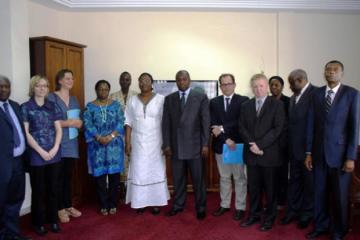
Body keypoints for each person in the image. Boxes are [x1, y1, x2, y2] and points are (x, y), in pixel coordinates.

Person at [305, 60, 360, 240]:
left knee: (340, 197)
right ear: (324, 73)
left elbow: (354, 127)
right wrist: (308, 153)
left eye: (335, 70)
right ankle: (320, 226)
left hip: (341, 156)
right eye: (328, 70)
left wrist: (351, 157)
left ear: (341, 73)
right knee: (319, 194)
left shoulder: (351, 94)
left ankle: (339, 230)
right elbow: (311, 124)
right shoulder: (317, 94)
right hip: (319, 154)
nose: (331, 72)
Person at [239, 73, 285, 231]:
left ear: (267, 87)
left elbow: (277, 129)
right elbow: (242, 127)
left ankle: (270, 218)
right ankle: (254, 215)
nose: (258, 89)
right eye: (255, 86)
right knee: (254, 188)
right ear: (252, 88)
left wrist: (260, 145)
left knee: (270, 189)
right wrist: (252, 145)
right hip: (251, 155)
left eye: (261, 86)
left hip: (269, 155)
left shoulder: (277, 105)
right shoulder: (246, 105)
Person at [162, 70, 210, 220]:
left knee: (198, 180)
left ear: (189, 80)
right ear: (176, 82)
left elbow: (205, 122)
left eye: (184, 79)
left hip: (195, 147)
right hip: (176, 147)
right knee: (178, 180)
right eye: (179, 80)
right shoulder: (169, 99)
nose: (182, 82)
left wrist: (205, 144)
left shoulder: (200, 97)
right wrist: (167, 145)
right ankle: (178, 205)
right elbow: (166, 124)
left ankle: (200, 207)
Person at [21, 75, 63, 236]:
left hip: (54, 153)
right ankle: (38, 223)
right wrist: (41, 151)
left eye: (45, 86)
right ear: (33, 88)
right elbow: (26, 133)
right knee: (38, 191)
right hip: (36, 155)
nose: (42, 88)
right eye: (38, 86)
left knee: (53, 189)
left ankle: (53, 220)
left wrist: (54, 148)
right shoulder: (25, 107)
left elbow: (58, 129)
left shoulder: (53, 106)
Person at [125, 73, 170, 214]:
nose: (143, 83)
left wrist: (167, 144)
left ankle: (156, 202)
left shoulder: (161, 100)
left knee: (155, 171)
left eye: (146, 80)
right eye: (141, 81)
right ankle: (140, 202)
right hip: (137, 143)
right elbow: (128, 123)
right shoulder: (132, 100)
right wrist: (127, 142)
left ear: (152, 83)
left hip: (157, 142)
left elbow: (166, 123)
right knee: (139, 171)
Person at [280, 69, 316, 229]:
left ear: (300, 80)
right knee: (294, 182)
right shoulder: (294, 97)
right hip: (293, 150)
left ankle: (307, 213)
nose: (290, 86)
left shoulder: (315, 94)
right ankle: (293, 210)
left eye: (291, 83)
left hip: (309, 151)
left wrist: (310, 151)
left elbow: (315, 126)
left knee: (309, 184)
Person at [210, 73, 248, 221]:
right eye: (223, 84)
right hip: (222, 145)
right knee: (224, 177)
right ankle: (224, 204)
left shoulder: (243, 101)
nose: (226, 87)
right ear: (220, 86)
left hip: (237, 146)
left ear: (234, 84)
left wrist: (223, 128)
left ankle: (240, 207)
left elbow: (241, 122)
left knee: (239, 178)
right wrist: (226, 139)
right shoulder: (214, 102)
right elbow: (213, 126)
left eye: (228, 84)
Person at [83, 80, 125, 216]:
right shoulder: (89, 107)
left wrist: (111, 136)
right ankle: (103, 204)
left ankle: (113, 203)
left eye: (106, 89)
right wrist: (99, 137)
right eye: (101, 89)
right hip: (97, 147)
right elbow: (87, 124)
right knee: (100, 177)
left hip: (114, 146)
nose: (103, 91)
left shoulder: (116, 106)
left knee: (114, 177)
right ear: (96, 90)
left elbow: (121, 121)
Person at [48, 69, 82, 223]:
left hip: (72, 143)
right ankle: (59, 208)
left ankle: (68, 205)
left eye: (72, 78)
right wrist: (67, 123)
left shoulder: (74, 99)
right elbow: (48, 120)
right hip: (57, 143)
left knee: (68, 178)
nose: (70, 81)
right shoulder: (51, 98)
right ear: (60, 80)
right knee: (57, 178)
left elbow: (78, 119)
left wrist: (80, 123)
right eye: (67, 78)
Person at [0, 76, 30, 240]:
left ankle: (12, 234)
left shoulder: (15, 106)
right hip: (2, 164)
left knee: (15, 199)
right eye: (0, 87)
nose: (4, 89)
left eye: (6, 86)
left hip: (18, 162)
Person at [110, 71, 137, 201]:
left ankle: (133, 188)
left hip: (133, 134)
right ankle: (121, 188)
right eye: (123, 79)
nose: (125, 81)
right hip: (118, 134)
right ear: (119, 81)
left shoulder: (136, 95)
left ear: (130, 81)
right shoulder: (113, 96)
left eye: (128, 79)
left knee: (133, 161)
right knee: (120, 161)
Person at [269, 75, 290, 208]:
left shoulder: (288, 101)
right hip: (269, 145)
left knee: (282, 174)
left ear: (282, 86)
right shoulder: (267, 101)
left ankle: (282, 201)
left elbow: (288, 124)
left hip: (283, 145)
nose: (274, 87)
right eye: (272, 85)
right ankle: (272, 200)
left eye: (277, 85)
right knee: (270, 175)